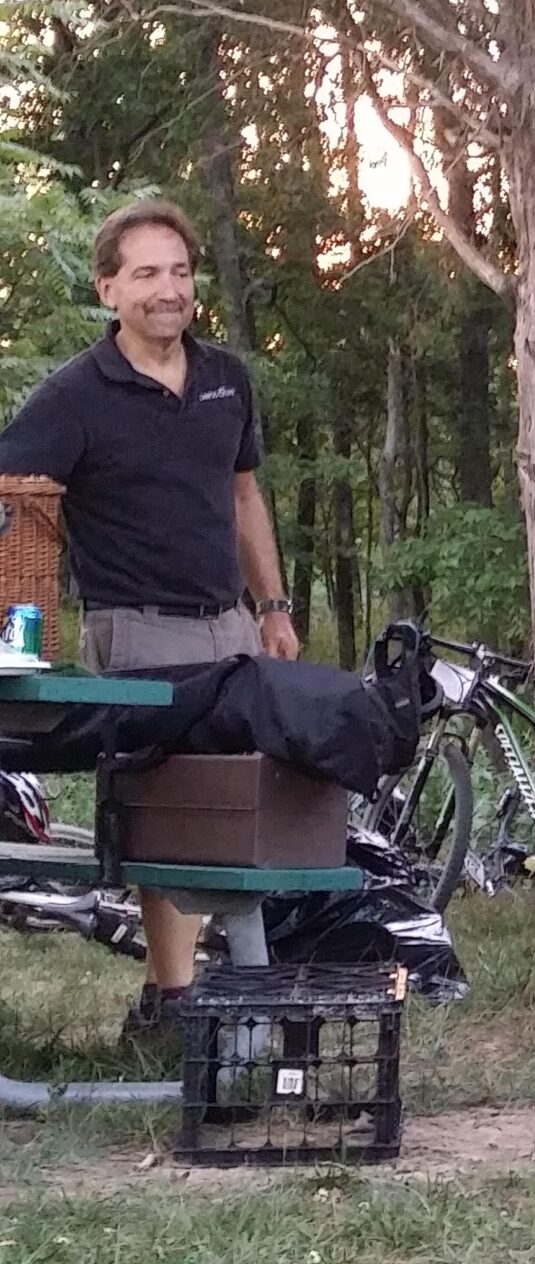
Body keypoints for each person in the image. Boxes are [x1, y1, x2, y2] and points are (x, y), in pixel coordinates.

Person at [0, 197, 300, 1039]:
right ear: (108, 290)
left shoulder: (226, 378)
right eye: (145, 274)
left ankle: (194, 992)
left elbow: (244, 497)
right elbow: (14, 502)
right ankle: (173, 1006)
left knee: (229, 803)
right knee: (169, 804)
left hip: (230, 625)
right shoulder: (73, 396)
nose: (167, 289)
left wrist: (272, 608)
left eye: (179, 271)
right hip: (135, 626)